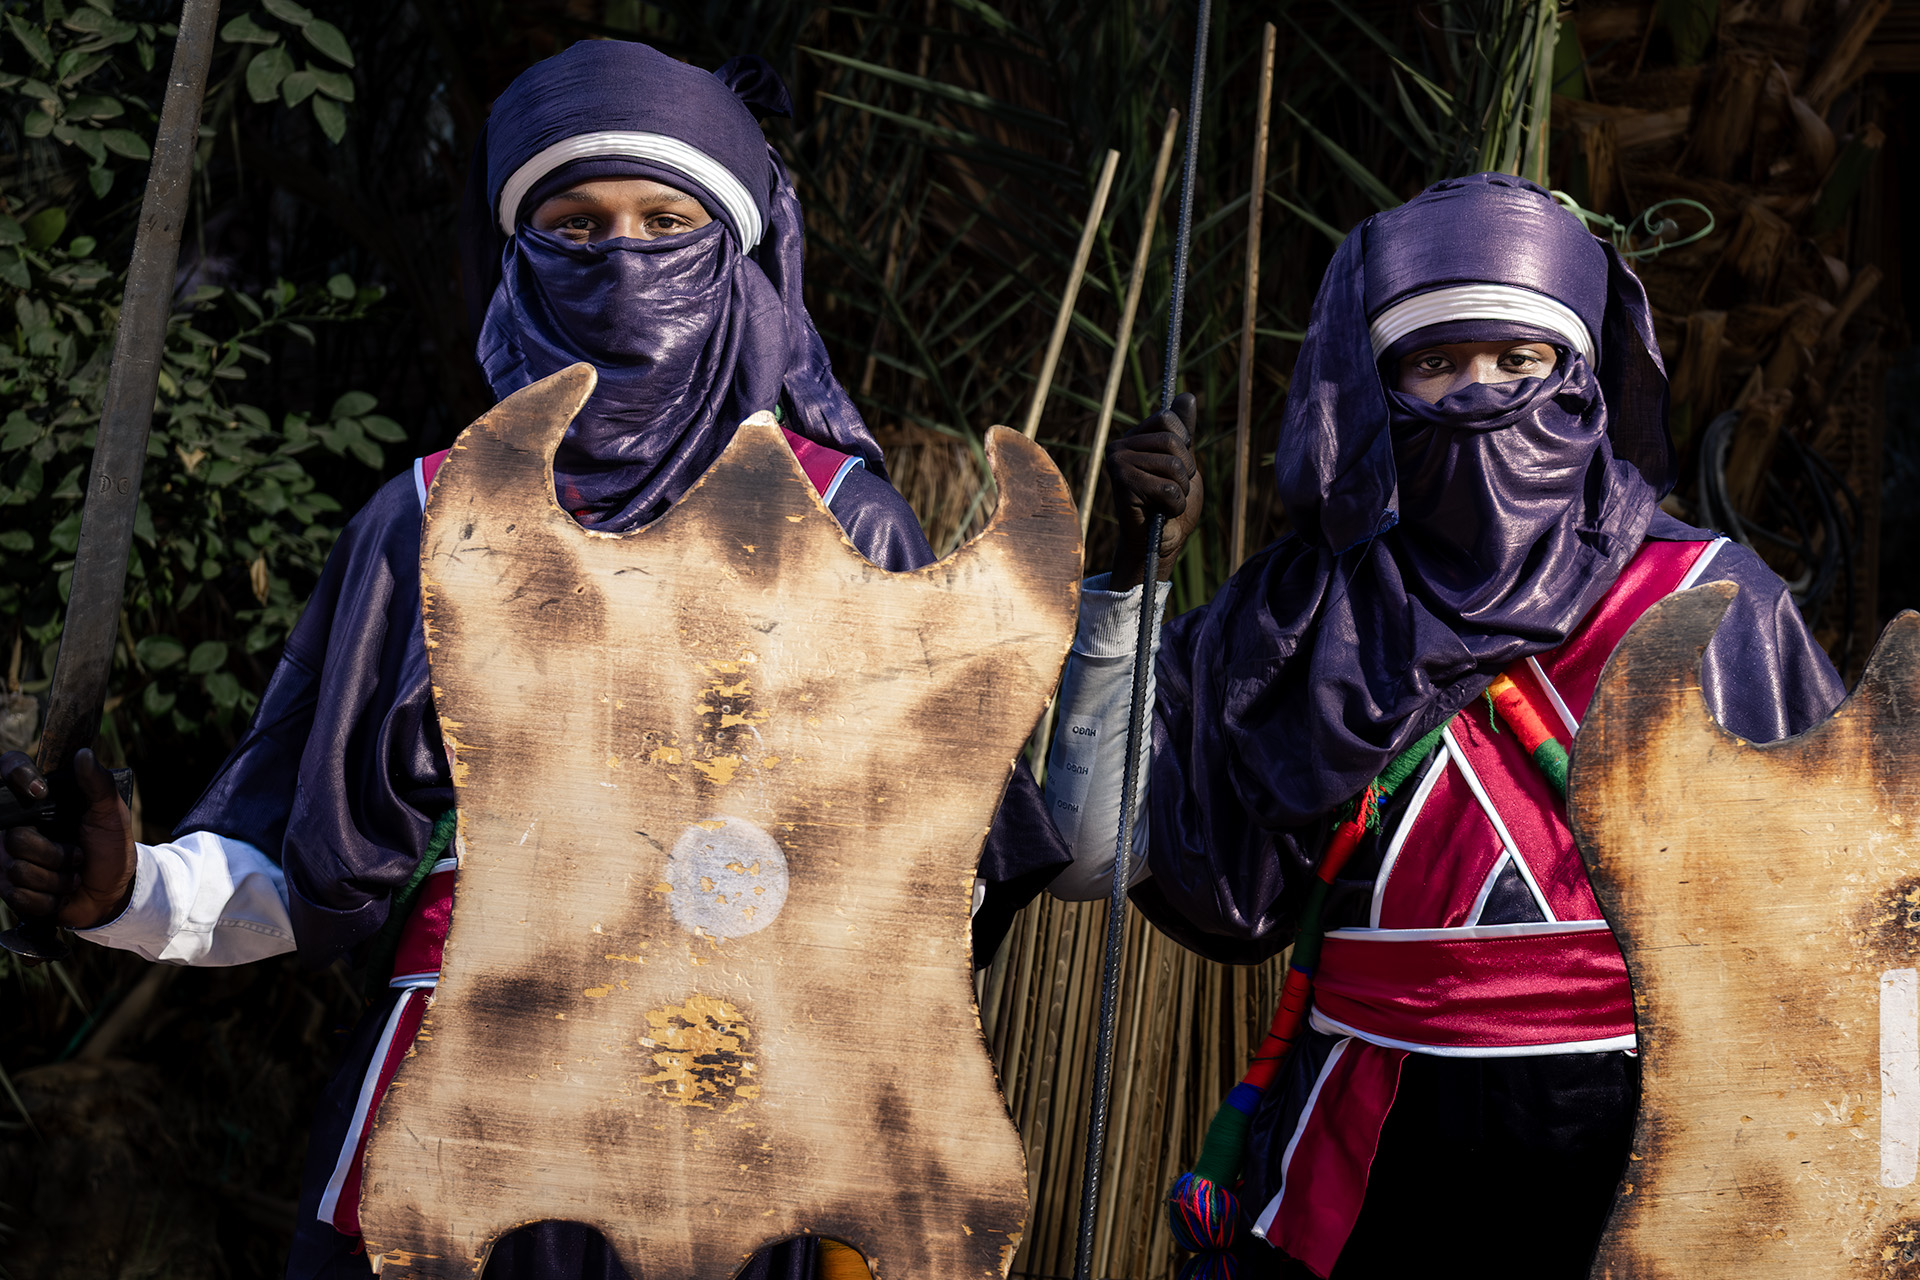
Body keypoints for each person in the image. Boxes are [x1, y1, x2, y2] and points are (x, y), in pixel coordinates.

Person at [0, 41, 1068, 1280]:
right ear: (518, 262)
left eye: (665, 221)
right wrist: (123, 889)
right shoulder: (422, 522)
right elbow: (311, 862)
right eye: (576, 224)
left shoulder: (855, 528)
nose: (622, 259)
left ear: (734, 255)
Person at [1047, 172, 1845, 1278]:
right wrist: (1126, 587)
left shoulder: (1713, 601)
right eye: (1438, 362)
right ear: (1379, 391)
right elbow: (1090, 852)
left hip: (1647, 1148)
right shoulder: (1301, 612)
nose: (1479, 396)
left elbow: (1856, 926)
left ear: (1580, 379)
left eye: (1519, 361)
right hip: (1364, 1159)